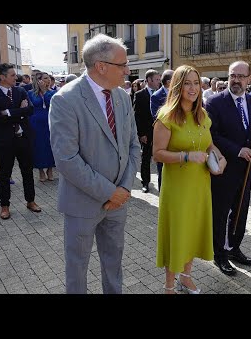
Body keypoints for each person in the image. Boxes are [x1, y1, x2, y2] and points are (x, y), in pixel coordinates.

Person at [49, 33, 141, 294]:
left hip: (118, 202)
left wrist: (123, 189)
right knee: (77, 269)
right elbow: (67, 159)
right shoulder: (65, 99)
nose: (128, 69)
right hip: (82, 203)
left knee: (114, 263)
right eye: (123, 64)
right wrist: (110, 192)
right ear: (102, 66)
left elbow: (134, 146)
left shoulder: (122, 97)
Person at [153, 65, 226, 294]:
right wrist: (185, 156)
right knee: (177, 234)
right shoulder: (166, 117)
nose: (193, 88)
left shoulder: (202, 114)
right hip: (177, 188)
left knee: (193, 231)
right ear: (177, 85)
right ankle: (168, 287)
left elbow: (210, 145)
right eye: (187, 83)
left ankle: (186, 277)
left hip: (200, 185)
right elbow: (157, 153)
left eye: (196, 83)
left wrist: (220, 158)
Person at [205, 61, 251, 275]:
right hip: (225, 168)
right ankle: (219, 254)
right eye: (232, 76)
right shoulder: (214, 102)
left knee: (241, 210)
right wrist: (237, 150)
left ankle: (234, 248)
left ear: (249, 78)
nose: (236, 80)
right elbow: (213, 135)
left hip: (247, 169)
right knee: (221, 213)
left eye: (240, 76)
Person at [0, 63, 41, 220]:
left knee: (27, 171)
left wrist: (9, 112)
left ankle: (31, 201)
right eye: (12, 75)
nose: (15, 77)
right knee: (5, 174)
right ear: (2, 77)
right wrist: (18, 112)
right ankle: (5, 206)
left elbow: (29, 110)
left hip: (23, 138)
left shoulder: (20, 91)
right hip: (5, 140)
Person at [133, 69, 161, 193]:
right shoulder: (139, 95)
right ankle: (145, 182)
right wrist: (141, 134)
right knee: (146, 158)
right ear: (149, 80)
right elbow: (137, 116)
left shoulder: (162, 94)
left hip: (161, 133)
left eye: (159, 79)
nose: (159, 82)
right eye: (156, 80)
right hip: (147, 133)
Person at [28, 72, 55, 182]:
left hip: (50, 121)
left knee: (50, 145)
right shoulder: (30, 93)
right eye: (45, 78)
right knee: (38, 146)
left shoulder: (53, 93)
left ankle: (50, 169)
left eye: (48, 78)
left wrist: (44, 91)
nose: (48, 80)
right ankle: (40, 170)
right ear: (38, 80)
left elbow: (52, 104)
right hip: (36, 123)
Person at [150, 69, 174, 191]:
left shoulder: (178, 94)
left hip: (177, 141)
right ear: (169, 82)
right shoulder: (156, 96)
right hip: (164, 141)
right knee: (162, 172)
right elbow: (157, 118)